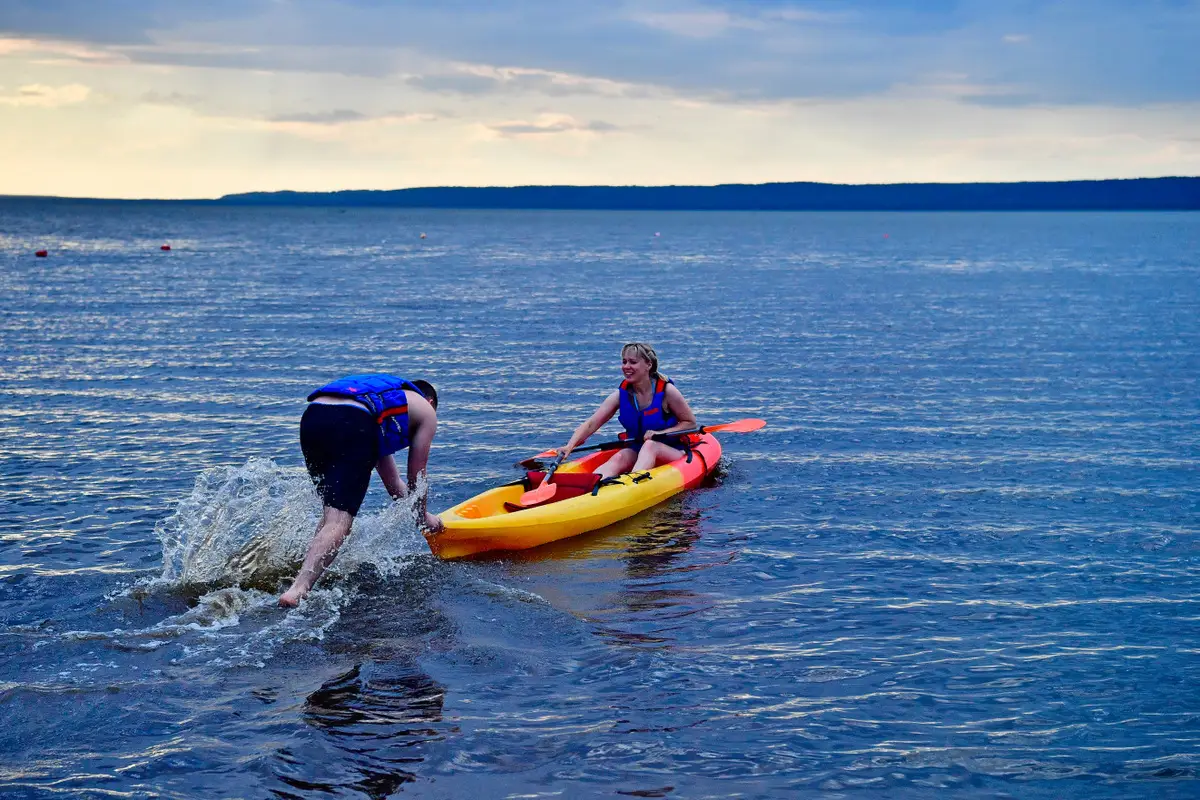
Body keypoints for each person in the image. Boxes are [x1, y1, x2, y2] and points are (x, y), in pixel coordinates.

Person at [280, 374, 442, 608]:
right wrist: (424, 517)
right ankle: (298, 590)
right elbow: (417, 476)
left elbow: (395, 486)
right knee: (339, 522)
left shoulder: (379, 401)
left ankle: (307, 574)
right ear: (429, 402)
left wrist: (419, 516)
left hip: (313, 418)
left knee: (331, 515)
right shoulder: (426, 411)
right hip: (351, 421)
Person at [555, 343, 698, 479]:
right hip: (638, 450)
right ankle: (589, 488)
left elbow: (690, 423)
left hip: (672, 452)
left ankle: (632, 484)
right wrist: (570, 445)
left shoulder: (667, 391)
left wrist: (658, 434)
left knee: (650, 445)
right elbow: (592, 423)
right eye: (624, 362)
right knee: (620, 456)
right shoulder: (620, 395)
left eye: (633, 362)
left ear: (648, 365)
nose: (626, 367)